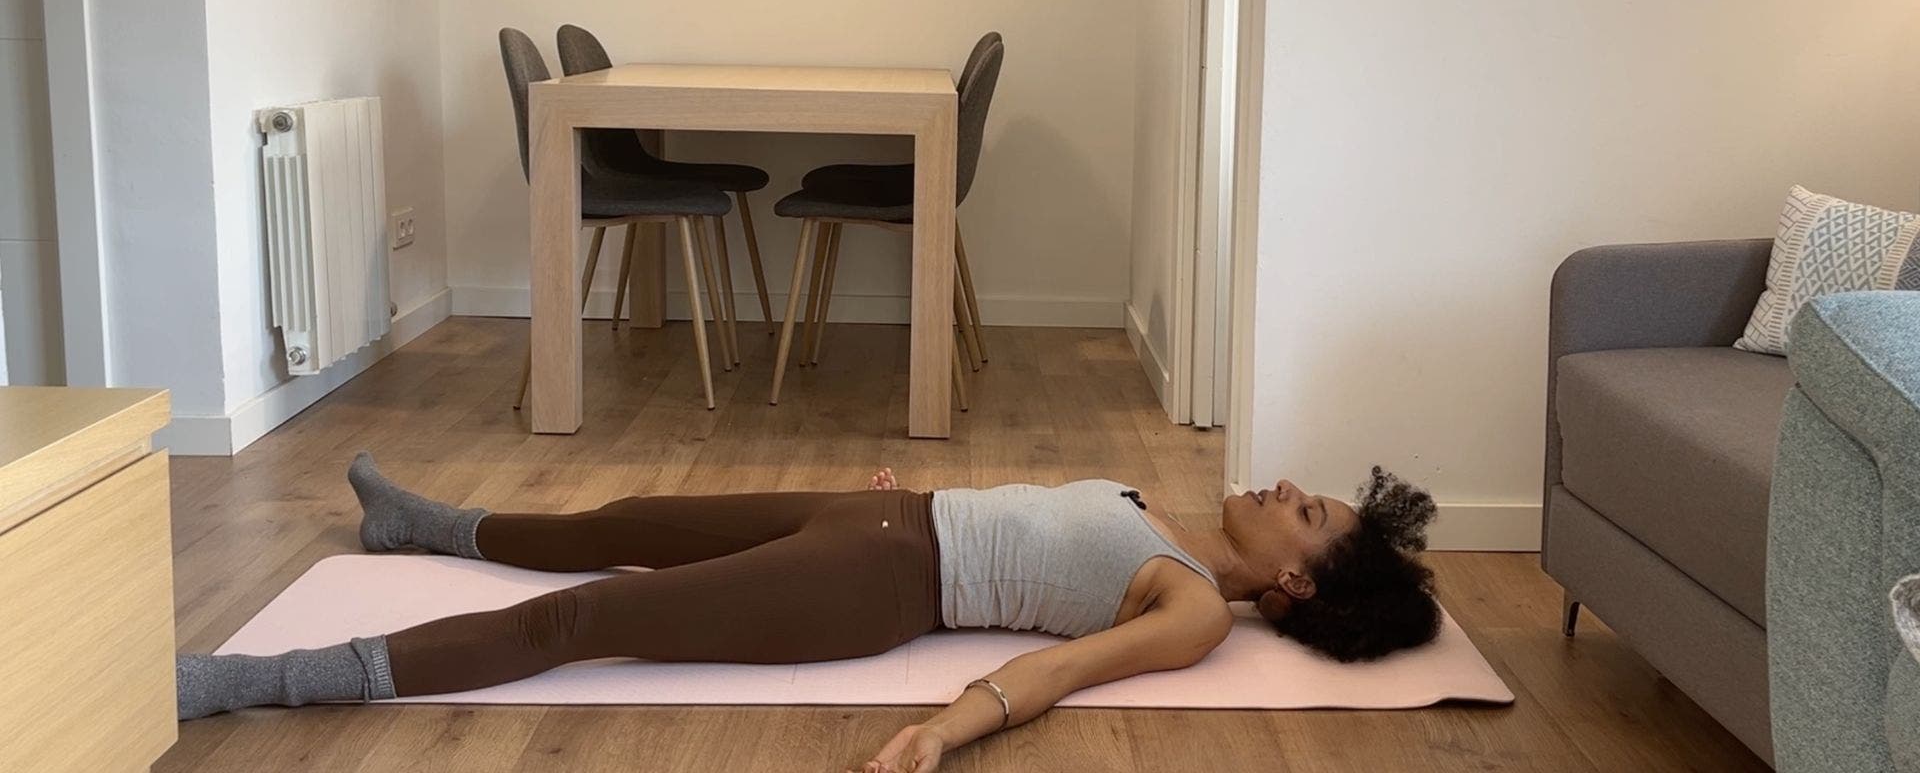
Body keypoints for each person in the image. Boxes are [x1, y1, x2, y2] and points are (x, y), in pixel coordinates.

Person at [177, 454, 1440, 772]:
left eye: (1309, 514)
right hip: (875, 513)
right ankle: (428, 528)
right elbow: (1012, 512)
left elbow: (1059, 676)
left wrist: (947, 729)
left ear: (1297, 584)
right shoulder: (1154, 514)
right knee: (620, 519)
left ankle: (263, 679)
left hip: (872, 587)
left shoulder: (1192, 611)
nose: (1286, 491)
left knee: (582, 620)